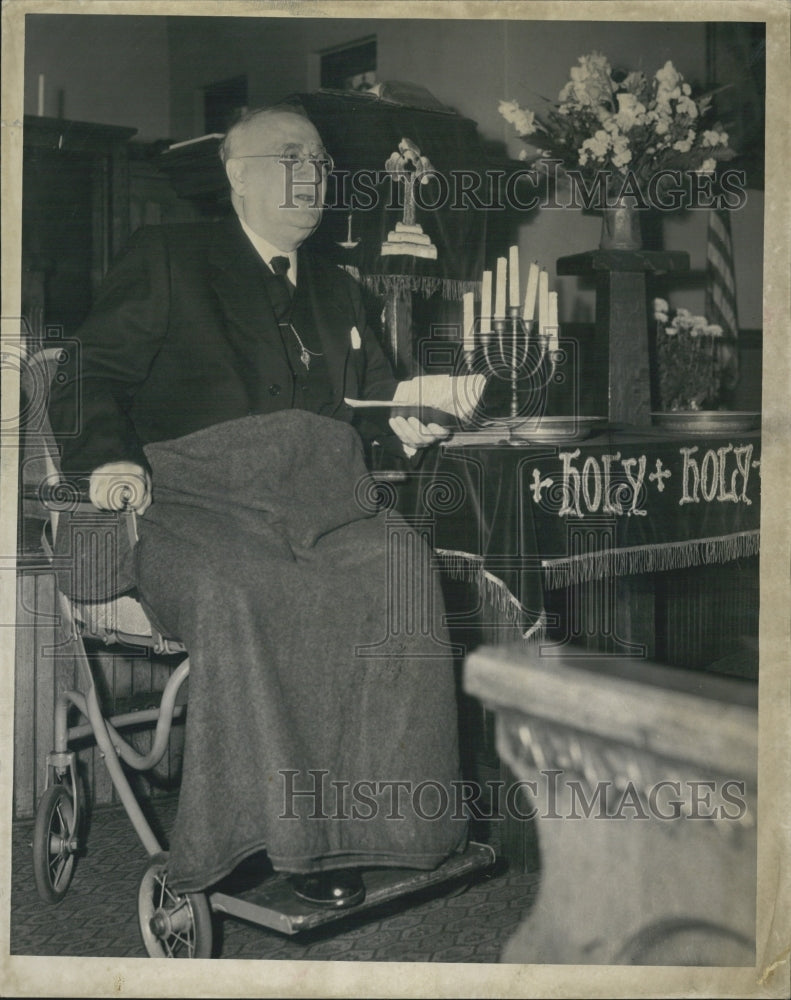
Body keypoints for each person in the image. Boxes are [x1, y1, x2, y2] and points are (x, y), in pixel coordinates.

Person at [48, 107, 467, 908]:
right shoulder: (171, 256)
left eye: (319, 157)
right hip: (189, 503)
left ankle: (364, 828)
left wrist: (407, 424)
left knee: (402, 571)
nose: (311, 172)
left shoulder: (343, 290)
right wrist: (108, 458)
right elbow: (88, 373)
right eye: (288, 156)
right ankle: (259, 833)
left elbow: (368, 411)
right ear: (237, 174)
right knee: (247, 592)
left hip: (321, 505)